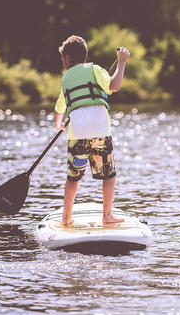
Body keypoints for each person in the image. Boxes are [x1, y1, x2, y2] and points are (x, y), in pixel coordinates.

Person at [54, 35, 130, 226]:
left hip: (77, 132)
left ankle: (66, 218)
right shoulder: (95, 69)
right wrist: (121, 63)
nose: (63, 62)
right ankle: (107, 216)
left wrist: (58, 124)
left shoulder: (66, 78)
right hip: (100, 130)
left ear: (68, 58)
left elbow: (60, 108)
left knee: (73, 178)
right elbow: (115, 85)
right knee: (108, 175)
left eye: (63, 58)